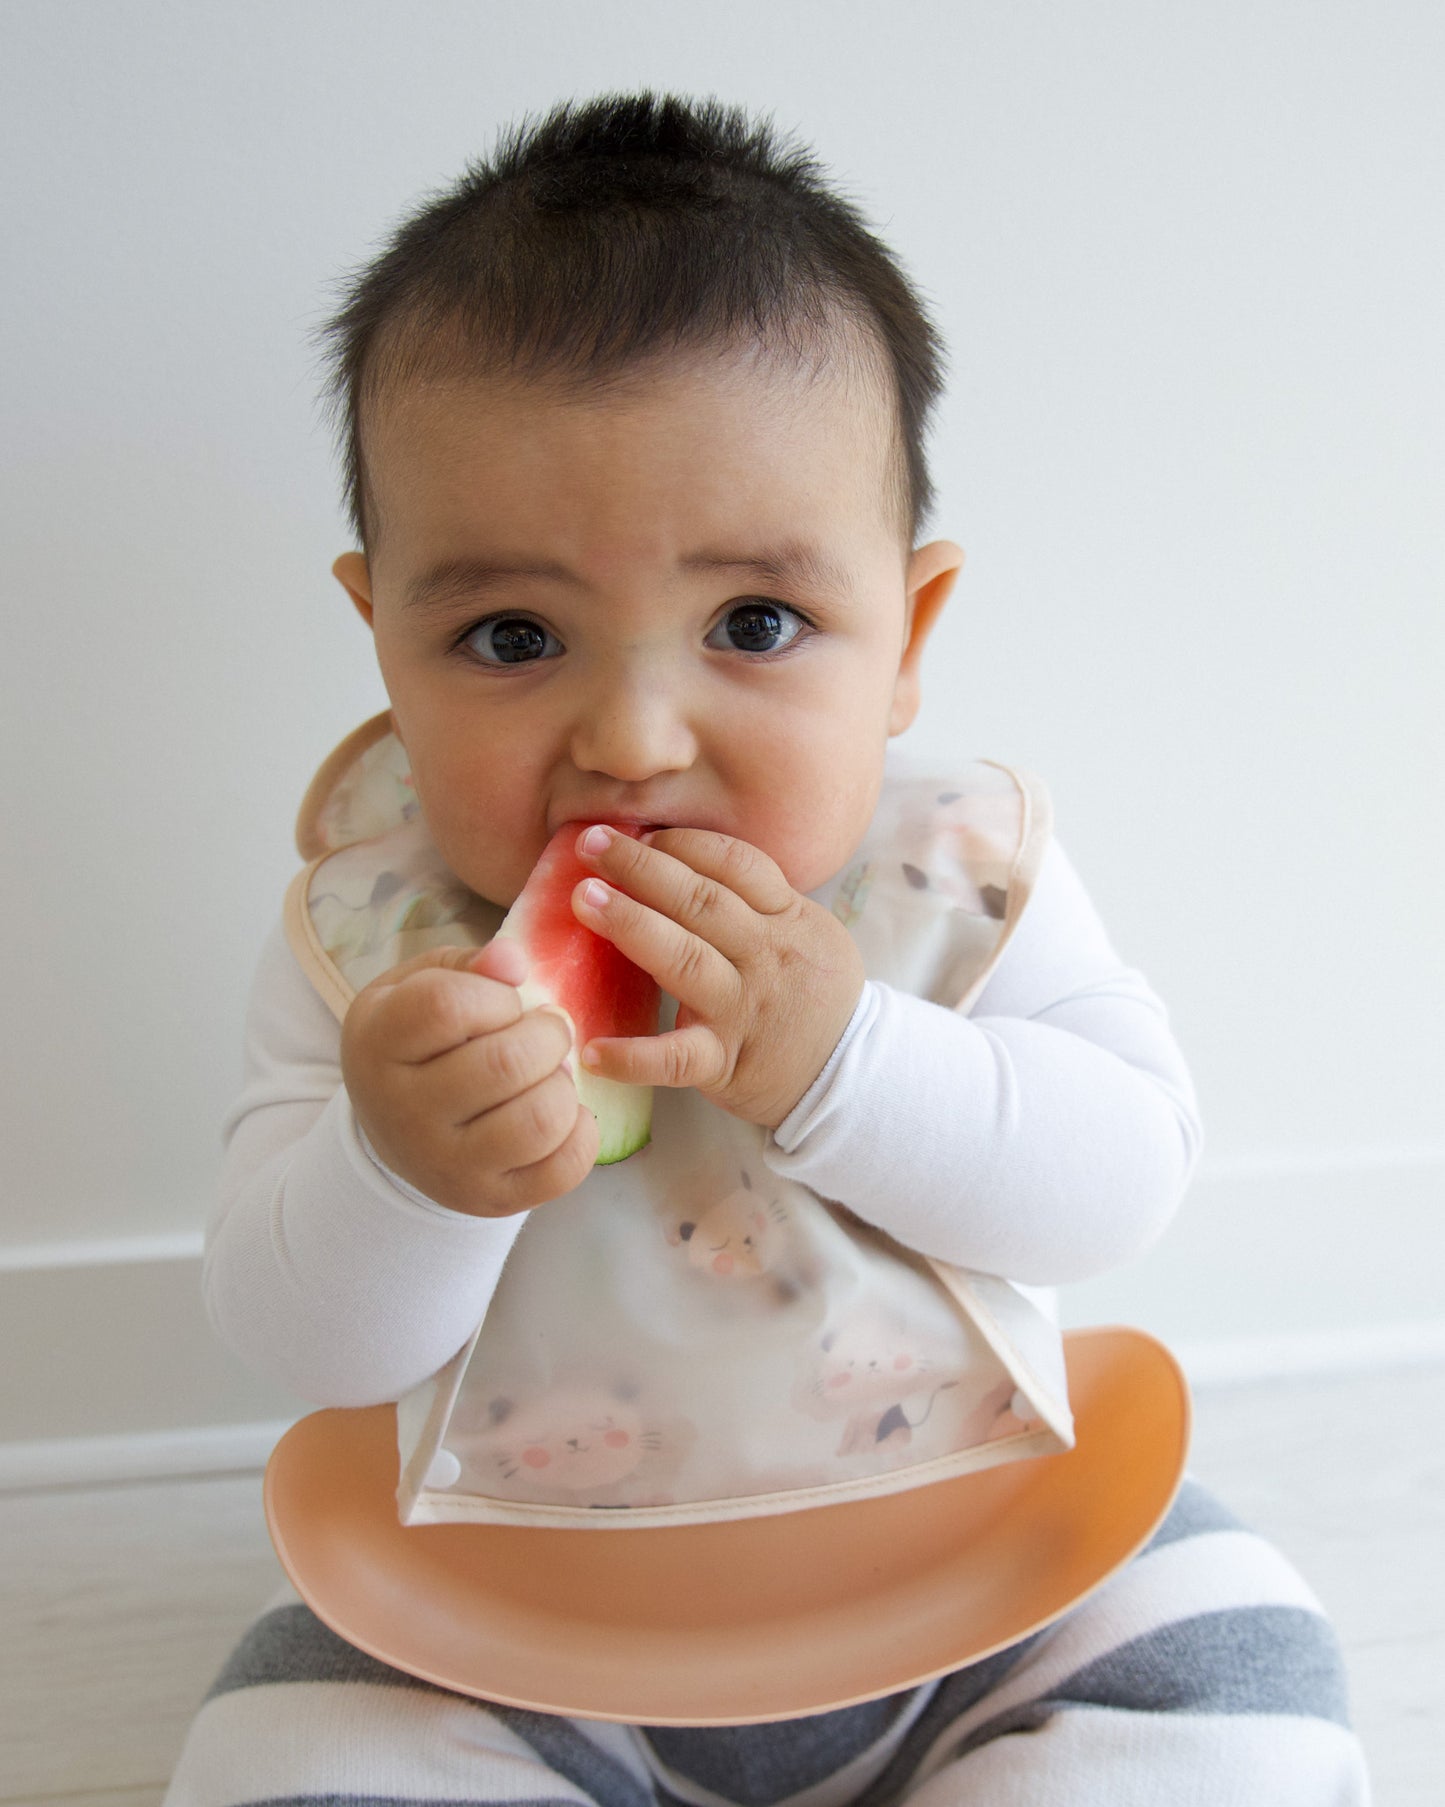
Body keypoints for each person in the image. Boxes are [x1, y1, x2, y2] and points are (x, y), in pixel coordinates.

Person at [165, 93, 1369, 1805]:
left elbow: (1113, 1185)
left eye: (754, 624)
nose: (635, 737)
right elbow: (302, 1345)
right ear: (385, 643)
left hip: (983, 1572)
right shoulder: (379, 946)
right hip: (514, 1615)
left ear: (904, 641)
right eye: (512, 635)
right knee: (279, 1751)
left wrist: (844, 1060)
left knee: (1236, 1657)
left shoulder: (958, 874)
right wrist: (399, 1169)